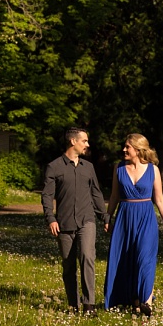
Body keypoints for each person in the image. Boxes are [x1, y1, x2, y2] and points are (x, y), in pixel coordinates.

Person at [103, 133, 163, 317]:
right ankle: (133, 300)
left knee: (145, 260)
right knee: (125, 260)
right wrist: (107, 217)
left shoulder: (153, 170)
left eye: (128, 147)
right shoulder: (118, 168)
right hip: (124, 218)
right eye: (125, 146)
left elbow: (159, 199)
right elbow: (114, 196)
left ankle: (146, 303)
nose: (124, 149)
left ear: (138, 149)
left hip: (146, 218)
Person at [42, 128, 107, 315]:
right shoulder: (54, 167)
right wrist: (51, 219)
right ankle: (73, 305)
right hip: (63, 223)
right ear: (73, 141)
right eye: (84, 141)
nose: (87, 144)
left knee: (87, 257)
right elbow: (47, 196)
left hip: (87, 220)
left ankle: (89, 305)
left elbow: (96, 193)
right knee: (68, 265)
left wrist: (104, 216)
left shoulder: (89, 167)